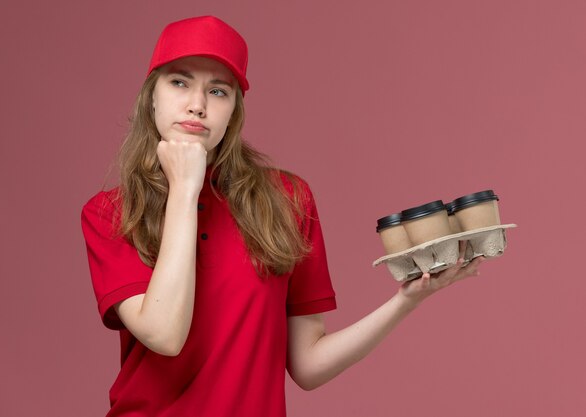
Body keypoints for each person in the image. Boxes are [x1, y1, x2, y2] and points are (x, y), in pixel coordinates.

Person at [81, 15, 484, 417]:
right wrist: (185, 190)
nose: (197, 105)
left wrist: (406, 302)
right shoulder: (111, 214)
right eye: (180, 82)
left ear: (234, 110)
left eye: (218, 91)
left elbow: (308, 366)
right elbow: (165, 334)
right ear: (151, 95)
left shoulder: (287, 200)